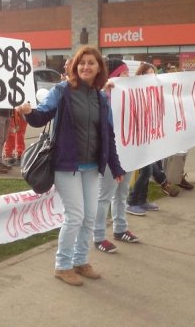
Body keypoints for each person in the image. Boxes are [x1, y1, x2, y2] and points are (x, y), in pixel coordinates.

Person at [16, 46, 125, 286]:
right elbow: (42, 116)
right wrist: (27, 112)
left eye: (91, 63)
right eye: (81, 62)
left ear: (99, 68)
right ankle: (62, 265)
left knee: (90, 216)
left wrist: (115, 168)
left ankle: (80, 261)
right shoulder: (62, 91)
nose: (86, 67)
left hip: (91, 166)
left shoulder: (101, 98)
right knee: (75, 216)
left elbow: (108, 134)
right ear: (75, 66)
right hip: (66, 166)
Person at [93, 58, 139, 254]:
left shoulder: (129, 96)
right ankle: (98, 236)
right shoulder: (100, 98)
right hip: (111, 154)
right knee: (104, 196)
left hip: (127, 152)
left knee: (122, 193)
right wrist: (104, 92)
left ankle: (120, 229)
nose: (128, 76)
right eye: (124, 73)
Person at [126, 63, 161, 215]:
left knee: (147, 170)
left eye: (152, 73)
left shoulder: (154, 93)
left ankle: (142, 200)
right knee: (146, 171)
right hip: (138, 138)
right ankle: (132, 202)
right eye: (147, 73)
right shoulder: (135, 93)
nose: (150, 75)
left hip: (150, 137)